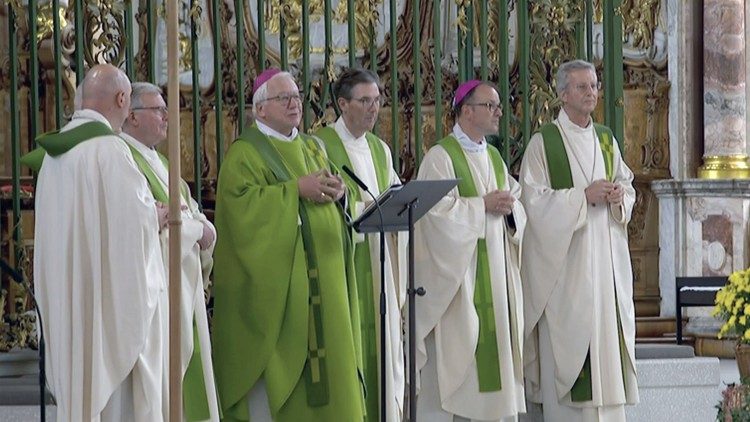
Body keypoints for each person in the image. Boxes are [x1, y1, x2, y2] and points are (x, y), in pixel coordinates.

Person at [211, 68, 365, 421]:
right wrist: (295, 190)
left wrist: (340, 195)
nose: (295, 103)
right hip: (284, 294)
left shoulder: (313, 145)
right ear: (260, 109)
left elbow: (337, 194)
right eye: (284, 98)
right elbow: (240, 212)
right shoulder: (245, 154)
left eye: (297, 96)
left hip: (329, 287)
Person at [33, 64, 168, 421]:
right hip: (103, 307)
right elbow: (135, 228)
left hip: (68, 296)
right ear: (123, 99)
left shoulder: (52, 156)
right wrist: (155, 216)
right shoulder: (110, 151)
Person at [519, 59, 639, 421]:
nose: (592, 93)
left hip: (606, 263)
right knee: (573, 350)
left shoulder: (605, 138)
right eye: (583, 87)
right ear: (562, 94)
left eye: (594, 86)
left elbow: (627, 182)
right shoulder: (544, 143)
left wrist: (621, 196)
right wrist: (581, 197)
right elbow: (532, 202)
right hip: (566, 268)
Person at [414, 80, 527, 421]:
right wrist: (481, 206)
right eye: (490, 106)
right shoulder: (440, 156)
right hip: (461, 281)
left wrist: (510, 211)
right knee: (463, 362)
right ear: (466, 111)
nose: (498, 112)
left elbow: (515, 201)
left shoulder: (492, 155)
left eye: (498, 105)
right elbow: (432, 217)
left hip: (494, 271)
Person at [120, 82, 220, 421]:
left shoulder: (162, 162)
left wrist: (202, 228)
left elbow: (189, 213)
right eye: (158, 110)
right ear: (131, 116)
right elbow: (146, 228)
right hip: (156, 293)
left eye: (166, 109)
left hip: (182, 287)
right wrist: (196, 230)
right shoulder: (124, 160)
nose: (167, 117)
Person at [313, 67, 406, 422]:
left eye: (377, 100)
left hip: (381, 261)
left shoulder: (380, 149)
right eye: (364, 100)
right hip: (347, 262)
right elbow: (320, 202)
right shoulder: (322, 145)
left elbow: (395, 199)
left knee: (383, 350)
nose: (373, 108)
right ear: (342, 104)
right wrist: (358, 208)